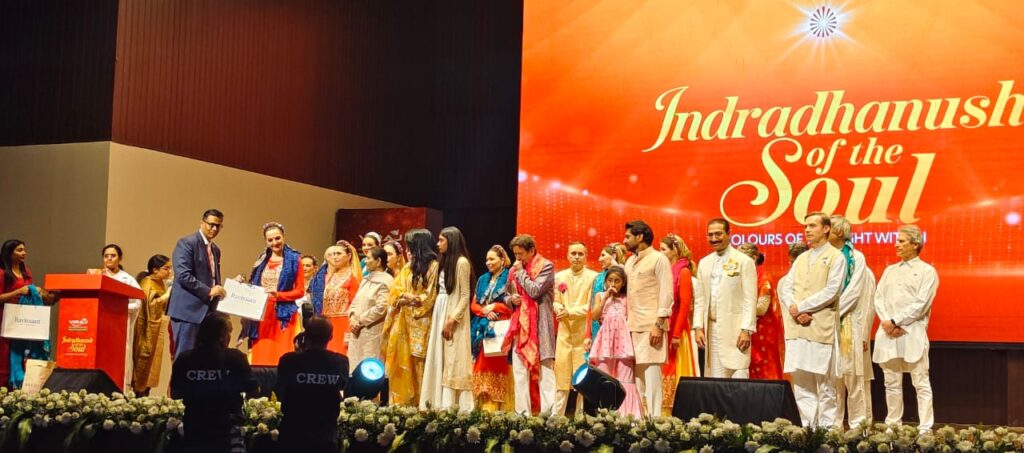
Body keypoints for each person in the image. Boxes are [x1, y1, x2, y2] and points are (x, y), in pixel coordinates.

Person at [778, 212, 847, 428]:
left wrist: (802, 307)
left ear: (826, 229)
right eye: (805, 226)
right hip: (797, 328)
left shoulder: (836, 257)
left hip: (820, 327)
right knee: (801, 383)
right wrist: (795, 310)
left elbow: (832, 291)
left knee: (825, 384)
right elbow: (787, 287)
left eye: (812, 226)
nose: (807, 230)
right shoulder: (801, 258)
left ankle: (826, 432)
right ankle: (808, 429)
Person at [873, 225, 938, 433]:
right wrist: (887, 322)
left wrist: (896, 321)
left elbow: (921, 304)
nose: (896, 245)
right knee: (891, 382)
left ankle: (925, 427)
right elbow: (878, 298)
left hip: (912, 332)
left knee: (920, 382)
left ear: (915, 244)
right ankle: (893, 425)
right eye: (897, 241)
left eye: (901, 241)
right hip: (888, 333)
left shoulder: (927, 271)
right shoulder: (890, 270)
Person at [170, 313, 256, 453]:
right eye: (229, 333)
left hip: (194, 430)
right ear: (222, 336)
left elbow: (175, 394)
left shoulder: (184, 358)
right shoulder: (235, 357)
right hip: (228, 434)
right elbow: (254, 389)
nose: (229, 337)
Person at [380, 229, 439, 406]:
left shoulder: (434, 267)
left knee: (420, 362)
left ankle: (423, 404)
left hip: (423, 321)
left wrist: (412, 298)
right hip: (404, 320)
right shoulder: (408, 267)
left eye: (410, 247)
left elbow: (431, 296)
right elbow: (395, 290)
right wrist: (401, 298)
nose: (408, 251)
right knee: (403, 361)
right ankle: (404, 403)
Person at [829, 215, 877, 428]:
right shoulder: (825, 257)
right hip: (827, 325)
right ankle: (833, 427)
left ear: (839, 232)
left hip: (848, 323)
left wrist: (830, 312)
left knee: (853, 377)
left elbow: (857, 296)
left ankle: (859, 428)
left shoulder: (856, 259)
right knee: (832, 379)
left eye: (828, 228)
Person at [275, 315, 349, 453]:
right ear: (331, 337)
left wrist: (299, 352)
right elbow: (342, 386)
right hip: (325, 438)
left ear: (305, 336)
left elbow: (280, 390)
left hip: (292, 435)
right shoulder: (340, 362)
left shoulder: (288, 360)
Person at [693, 219, 757, 380]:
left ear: (729, 234)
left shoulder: (744, 261)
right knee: (716, 378)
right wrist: (698, 327)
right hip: (711, 329)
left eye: (718, 234)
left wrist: (746, 330)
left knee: (739, 375)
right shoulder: (704, 263)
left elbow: (750, 299)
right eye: (710, 235)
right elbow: (699, 299)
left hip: (736, 329)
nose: (714, 238)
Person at [622, 220, 674, 414]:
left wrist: (659, 325)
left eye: (628, 236)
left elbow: (666, 294)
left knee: (652, 378)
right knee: (636, 380)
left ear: (640, 237)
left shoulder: (659, 259)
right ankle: (638, 420)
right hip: (631, 326)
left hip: (651, 325)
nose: (625, 240)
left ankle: (655, 421)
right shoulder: (629, 261)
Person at [420, 227, 475, 410]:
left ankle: (453, 405)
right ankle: (436, 402)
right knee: (440, 356)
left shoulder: (461, 262)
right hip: (440, 309)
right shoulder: (443, 262)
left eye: (441, 240)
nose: (438, 244)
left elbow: (465, 296)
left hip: (452, 312)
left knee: (454, 358)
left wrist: (452, 320)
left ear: (451, 241)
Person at [502, 234, 556, 414]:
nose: (517, 258)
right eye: (515, 254)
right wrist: (512, 299)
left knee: (545, 370)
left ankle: (550, 415)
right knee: (519, 371)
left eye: (521, 254)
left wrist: (520, 273)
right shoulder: (514, 270)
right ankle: (522, 414)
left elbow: (535, 291)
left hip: (541, 325)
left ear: (531, 251)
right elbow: (505, 295)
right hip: (520, 325)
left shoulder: (546, 266)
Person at [245, 223, 306, 366]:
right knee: (261, 350)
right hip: (262, 313)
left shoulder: (294, 260)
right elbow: (254, 285)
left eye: (277, 238)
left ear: (283, 237)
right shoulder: (262, 260)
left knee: (281, 352)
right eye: (270, 240)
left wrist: (279, 295)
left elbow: (300, 291)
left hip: (283, 315)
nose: (274, 243)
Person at [168, 209, 226, 359]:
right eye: (211, 224)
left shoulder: (215, 249)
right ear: (202, 223)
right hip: (188, 312)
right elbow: (183, 275)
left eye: (218, 226)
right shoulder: (187, 243)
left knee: (204, 359)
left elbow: (212, 277)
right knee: (185, 358)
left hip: (208, 313)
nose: (214, 229)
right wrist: (209, 291)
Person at [588, 266, 643, 418]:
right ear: (605, 282)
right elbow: (594, 316)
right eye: (610, 280)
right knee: (604, 379)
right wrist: (605, 297)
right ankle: (603, 416)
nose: (613, 284)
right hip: (604, 345)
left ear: (623, 283)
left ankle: (628, 416)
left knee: (625, 379)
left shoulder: (626, 298)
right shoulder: (600, 296)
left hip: (624, 345)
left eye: (617, 281)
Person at [1, 240, 56, 388]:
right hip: (6, 317)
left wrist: (36, 291)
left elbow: (29, 289)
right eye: (19, 250)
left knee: (26, 351)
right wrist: (18, 291)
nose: (24, 253)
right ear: (9, 253)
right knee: (5, 354)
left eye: (24, 250)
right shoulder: (2, 273)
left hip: (24, 317)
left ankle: (20, 386)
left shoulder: (26, 271)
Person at [551, 241, 598, 415]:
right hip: (564, 333)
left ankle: (580, 418)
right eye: (573, 253)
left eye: (580, 254)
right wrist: (559, 309)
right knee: (561, 377)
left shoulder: (593, 277)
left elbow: (591, 307)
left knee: (582, 379)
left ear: (586, 256)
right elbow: (556, 300)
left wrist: (569, 312)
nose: (576, 257)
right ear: (567, 255)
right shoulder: (559, 276)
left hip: (584, 335)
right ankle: (556, 418)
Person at [88, 244, 143, 389]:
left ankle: (121, 388)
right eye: (106, 256)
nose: (109, 259)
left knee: (120, 357)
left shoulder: (127, 279)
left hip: (119, 325)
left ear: (120, 258)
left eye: (113, 256)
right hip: (101, 325)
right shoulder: (97, 276)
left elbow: (137, 303)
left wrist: (118, 308)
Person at [658, 234, 700, 414]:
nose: (660, 253)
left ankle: (676, 411)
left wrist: (675, 334)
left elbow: (684, 305)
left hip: (677, 330)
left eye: (663, 249)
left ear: (674, 250)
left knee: (675, 368)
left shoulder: (683, 272)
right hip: (663, 329)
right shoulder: (666, 271)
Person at [469, 245, 513, 411]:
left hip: (501, 328)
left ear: (502, 260)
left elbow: (513, 305)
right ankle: (482, 408)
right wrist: (485, 312)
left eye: (492, 259)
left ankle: (498, 409)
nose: (488, 262)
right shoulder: (482, 279)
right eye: (487, 259)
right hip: (481, 328)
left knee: (497, 365)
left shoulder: (510, 278)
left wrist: (495, 306)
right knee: (480, 365)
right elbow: (474, 305)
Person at [737, 243, 784, 380]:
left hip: (763, 331)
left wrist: (737, 308)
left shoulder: (764, 278)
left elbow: (761, 309)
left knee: (765, 366)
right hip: (747, 328)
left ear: (754, 258)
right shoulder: (742, 278)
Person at [347, 246, 393, 368]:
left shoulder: (386, 281)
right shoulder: (366, 279)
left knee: (368, 367)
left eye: (368, 258)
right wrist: (352, 318)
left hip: (371, 331)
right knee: (353, 366)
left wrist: (360, 321)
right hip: (356, 330)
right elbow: (355, 301)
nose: (365, 261)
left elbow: (381, 307)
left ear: (378, 261)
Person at [133, 254, 173, 395]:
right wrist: (167, 295)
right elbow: (150, 307)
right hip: (146, 330)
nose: (169, 272)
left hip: (157, 328)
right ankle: (139, 394)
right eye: (166, 268)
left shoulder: (160, 282)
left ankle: (145, 393)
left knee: (153, 365)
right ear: (155, 270)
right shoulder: (147, 283)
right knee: (143, 361)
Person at [586, 243, 625, 349]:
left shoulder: (624, 277)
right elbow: (591, 307)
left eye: (603, 255)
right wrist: (587, 335)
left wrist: (616, 266)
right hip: (597, 328)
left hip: (619, 330)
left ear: (613, 256)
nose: (599, 259)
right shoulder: (598, 278)